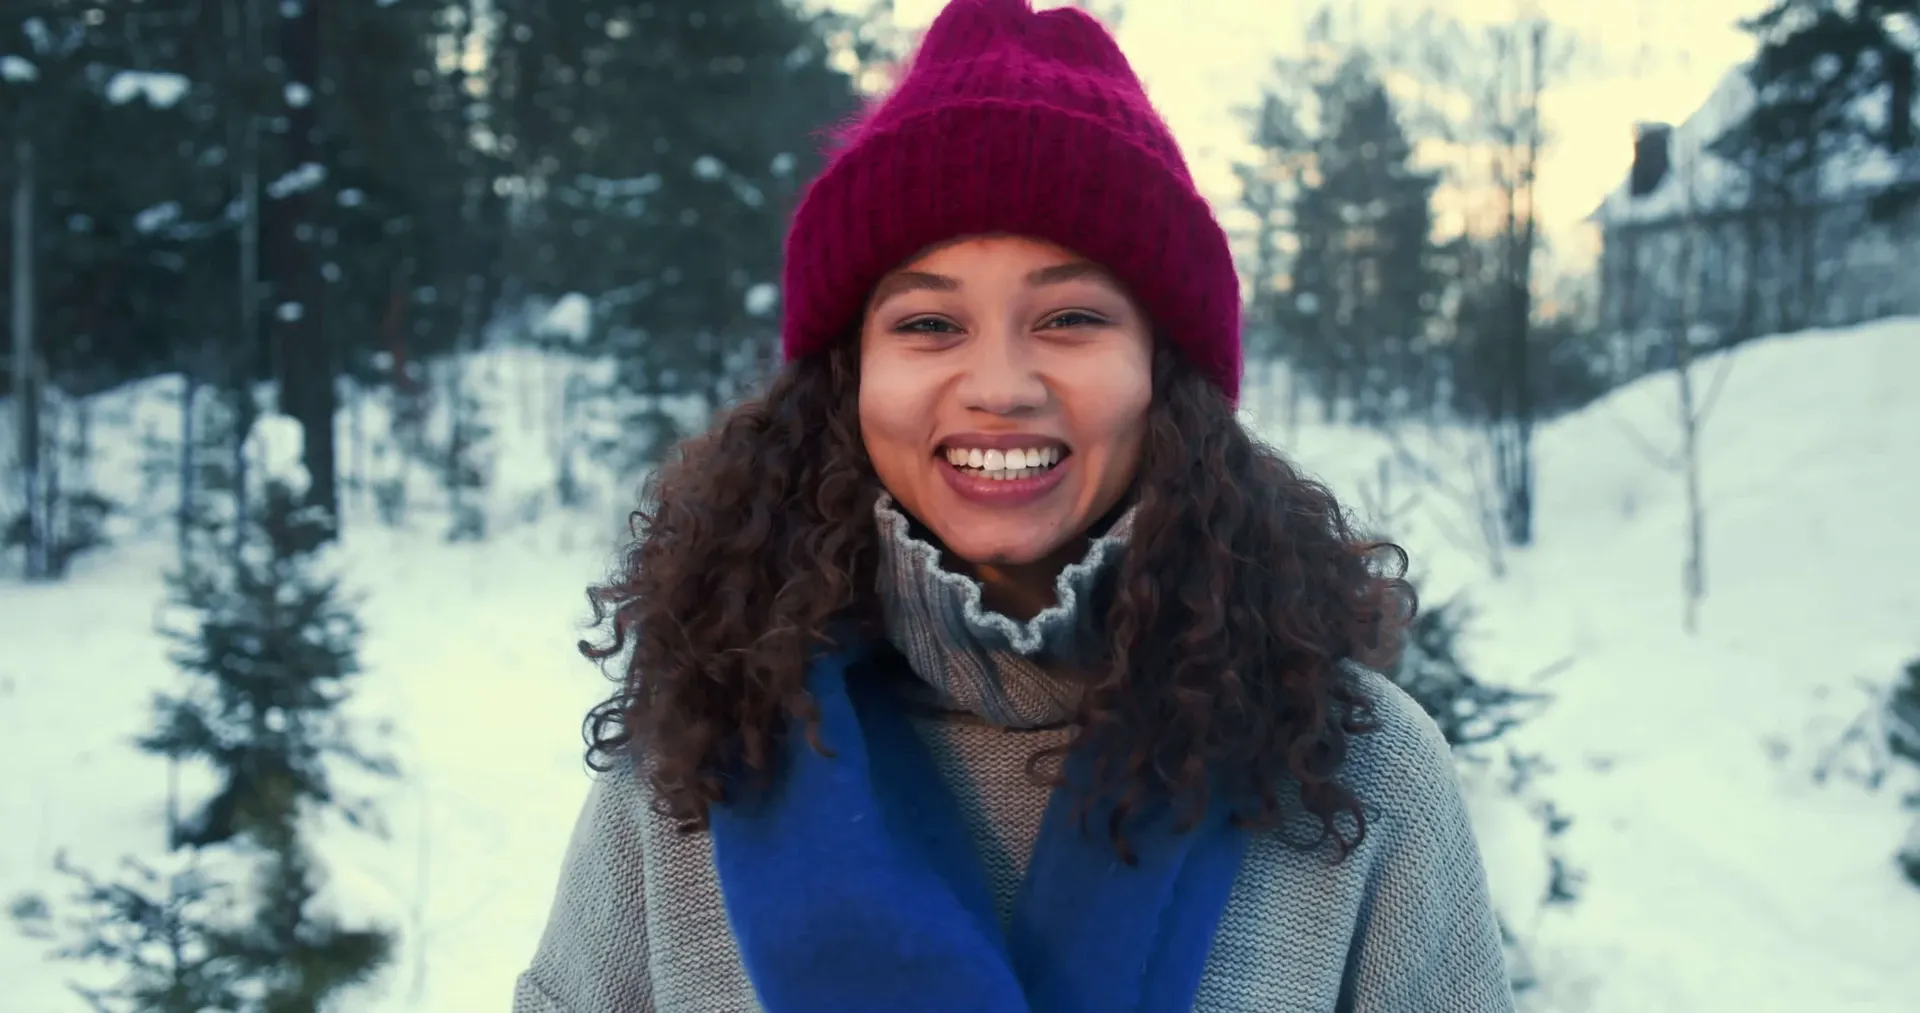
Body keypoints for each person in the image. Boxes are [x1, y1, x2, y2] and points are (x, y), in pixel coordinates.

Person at [513, 1, 1514, 1010]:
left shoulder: (1355, 769)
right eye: (930, 321)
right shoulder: (698, 751)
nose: (1000, 384)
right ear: (848, 376)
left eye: (1072, 317)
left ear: (1166, 376)